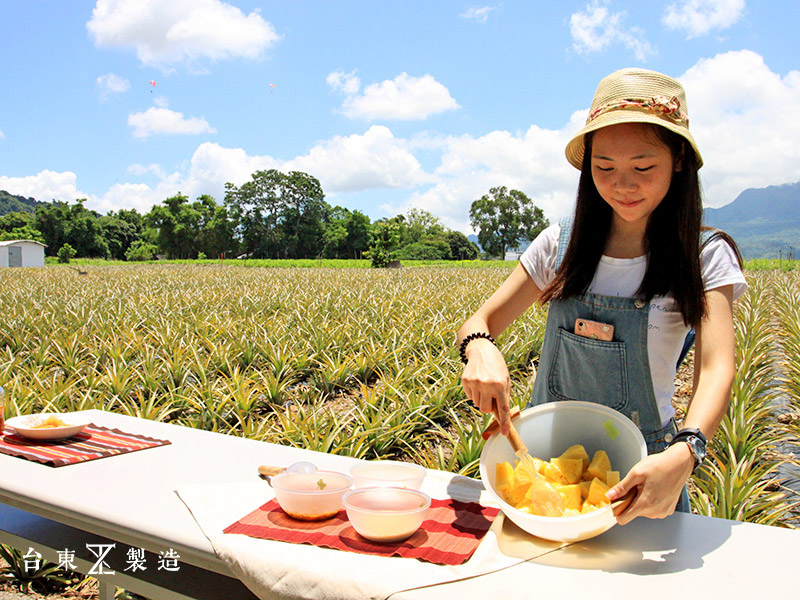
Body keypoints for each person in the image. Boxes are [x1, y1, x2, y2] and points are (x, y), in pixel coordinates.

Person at [457, 68, 746, 524]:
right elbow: (480, 322)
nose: (622, 185)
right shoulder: (560, 245)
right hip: (542, 466)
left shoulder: (705, 257)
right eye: (604, 168)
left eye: (643, 167)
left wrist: (686, 451)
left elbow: (716, 367)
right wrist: (480, 349)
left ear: (678, 161)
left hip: (646, 472)